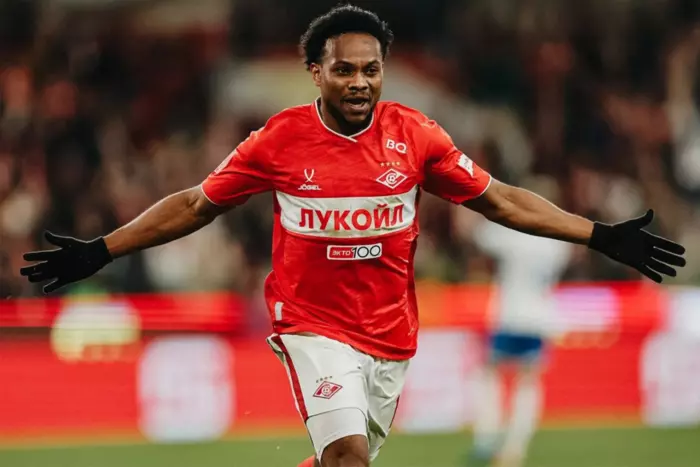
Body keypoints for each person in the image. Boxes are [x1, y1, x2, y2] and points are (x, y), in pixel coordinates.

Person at [19, 5, 686, 467]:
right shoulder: (279, 140)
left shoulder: (416, 136)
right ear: (316, 72)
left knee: (344, 459)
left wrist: (599, 235)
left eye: (371, 69)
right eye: (344, 69)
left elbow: (501, 200)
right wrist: (101, 249)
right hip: (311, 325)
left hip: (390, 336)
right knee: (347, 455)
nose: (360, 82)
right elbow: (196, 204)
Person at [469, 177, 572, 467]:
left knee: (489, 373)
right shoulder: (558, 238)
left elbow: (481, 235)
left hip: (510, 315)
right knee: (528, 381)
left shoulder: (515, 231)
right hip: (540, 317)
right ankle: (515, 447)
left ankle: (487, 437)